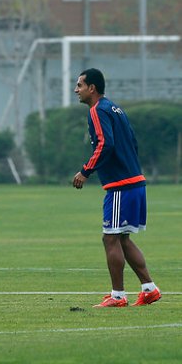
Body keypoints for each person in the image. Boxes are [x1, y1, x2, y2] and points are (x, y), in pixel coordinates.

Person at [72, 68, 160, 308]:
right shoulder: (115, 108)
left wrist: (85, 171)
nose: (76, 90)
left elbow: (105, 144)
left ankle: (118, 296)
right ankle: (149, 289)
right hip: (134, 182)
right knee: (121, 239)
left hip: (122, 186)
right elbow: (132, 141)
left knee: (110, 238)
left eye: (79, 85)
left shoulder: (97, 110)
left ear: (92, 88)